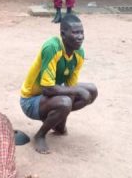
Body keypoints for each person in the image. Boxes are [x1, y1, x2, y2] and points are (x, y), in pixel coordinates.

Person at [19, 14, 97, 154]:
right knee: (66, 101)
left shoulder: (78, 53)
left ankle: (58, 123)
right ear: (63, 34)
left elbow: (70, 87)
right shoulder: (52, 47)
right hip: (31, 101)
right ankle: (40, 135)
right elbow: (48, 89)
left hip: (50, 97)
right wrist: (77, 92)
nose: (80, 37)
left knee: (91, 90)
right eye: (75, 32)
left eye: (81, 32)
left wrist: (62, 121)